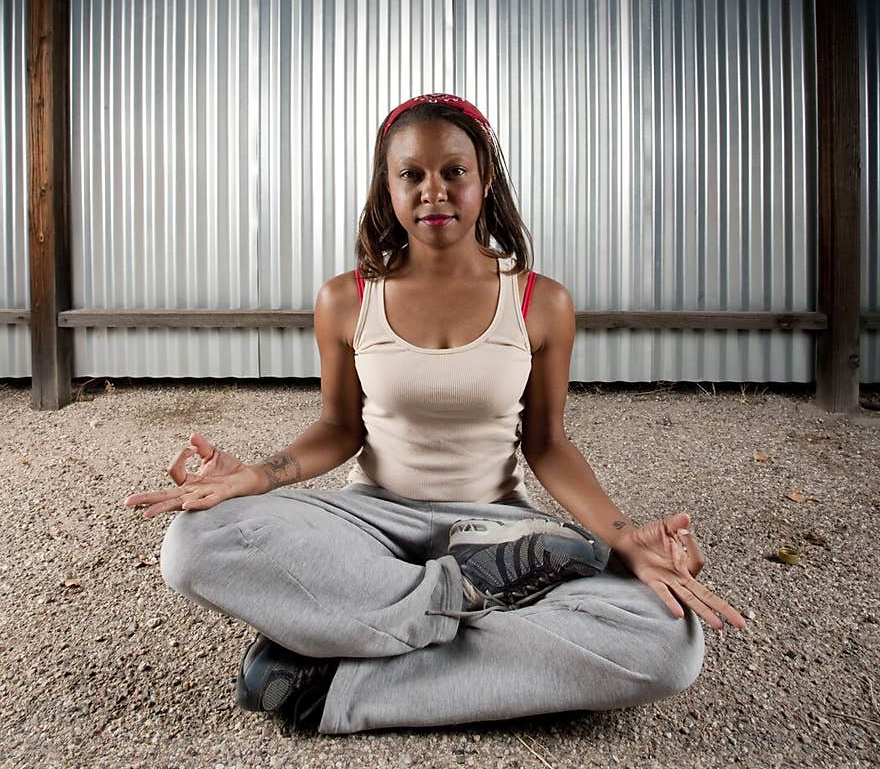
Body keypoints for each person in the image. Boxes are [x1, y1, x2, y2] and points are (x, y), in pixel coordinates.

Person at [125, 92, 745, 735]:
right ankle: (463, 600)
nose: (434, 191)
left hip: (499, 534)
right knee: (194, 543)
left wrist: (624, 538)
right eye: (411, 175)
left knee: (669, 644)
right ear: (387, 188)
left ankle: (340, 679)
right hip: (368, 521)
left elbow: (549, 445)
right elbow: (339, 428)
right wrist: (257, 475)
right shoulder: (345, 299)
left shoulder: (542, 302)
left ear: (484, 181)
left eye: (454, 171)